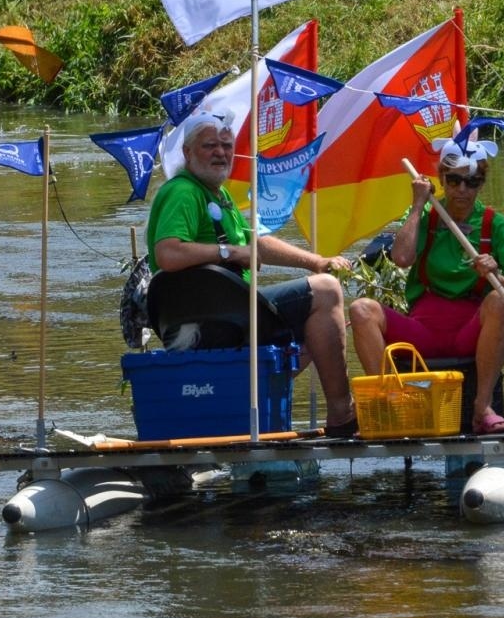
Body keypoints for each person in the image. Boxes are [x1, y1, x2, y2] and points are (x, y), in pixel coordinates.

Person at [145, 112, 359, 438]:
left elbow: (254, 243)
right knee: (326, 292)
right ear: (187, 152)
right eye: (210, 146)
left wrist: (316, 262)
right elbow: (168, 253)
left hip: (227, 312)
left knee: (320, 304)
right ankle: (343, 415)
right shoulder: (183, 192)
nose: (221, 152)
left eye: (226, 146)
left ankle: (252, 406)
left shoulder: (216, 194)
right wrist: (229, 253)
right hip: (210, 320)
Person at [347, 134, 504, 435]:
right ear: (442, 179)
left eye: (472, 182)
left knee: (500, 300)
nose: (462, 190)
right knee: (361, 309)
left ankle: (483, 408)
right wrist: (417, 204)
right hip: (424, 330)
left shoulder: (496, 226)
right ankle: (390, 404)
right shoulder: (426, 215)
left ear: (481, 184)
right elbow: (401, 258)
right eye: (454, 180)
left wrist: (496, 275)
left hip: (470, 331)